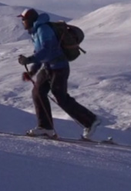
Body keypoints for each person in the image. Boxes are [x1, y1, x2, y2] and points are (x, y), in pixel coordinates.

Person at [17, 8, 101, 139]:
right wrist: (32, 71)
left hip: (59, 67)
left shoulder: (43, 29)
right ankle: (46, 128)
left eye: (24, 19)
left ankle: (90, 120)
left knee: (60, 97)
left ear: (31, 19)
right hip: (48, 67)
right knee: (38, 92)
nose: (22, 22)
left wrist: (29, 60)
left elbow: (46, 50)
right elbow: (40, 54)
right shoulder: (35, 31)